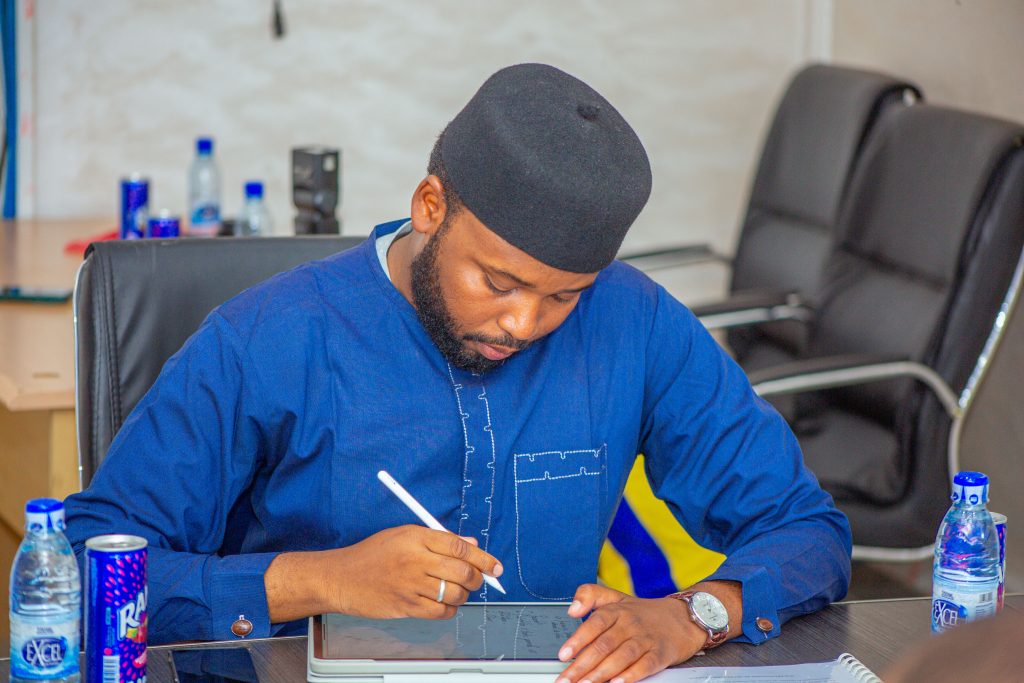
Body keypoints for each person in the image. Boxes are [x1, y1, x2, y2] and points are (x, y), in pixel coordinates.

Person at [65, 63, 851, 683]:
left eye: (564, 297)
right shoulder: (269, 337)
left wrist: (694, 613)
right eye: (499, 282)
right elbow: (83, 567)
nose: (524, 323)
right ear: (431, 207)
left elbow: (807, 529)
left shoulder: (633, 323)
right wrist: (324, 580)